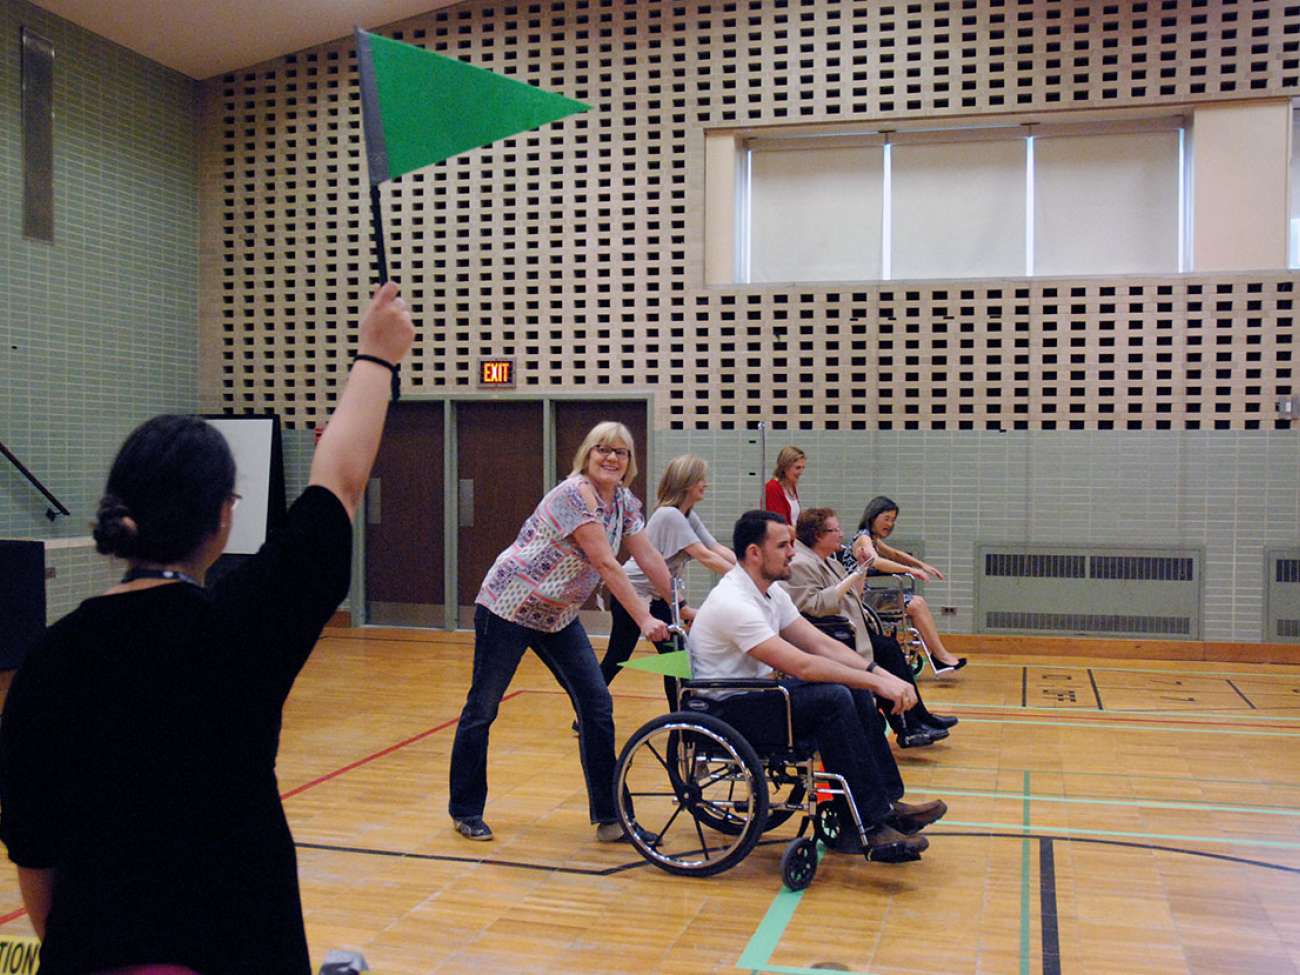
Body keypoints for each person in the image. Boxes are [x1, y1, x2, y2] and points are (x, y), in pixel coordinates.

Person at [0, 284, 415, 975]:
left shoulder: (43, 660)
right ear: (223, 516)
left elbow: (35, 865)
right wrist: (376, 356)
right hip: (241, 943)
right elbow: (338, 482)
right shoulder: (241, 625)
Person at [449, 421, 673, 844]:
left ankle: (611, 818)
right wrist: (644, 618)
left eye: (620, 452)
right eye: (602, 450)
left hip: (558, 617)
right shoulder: (571, 495)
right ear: (586, 456)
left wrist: (679, 604)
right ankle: (465, 809)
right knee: (483, 708)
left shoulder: (624, 502)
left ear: (630, 463)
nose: (611, 458)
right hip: (509, 607)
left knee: (596, 706)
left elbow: (647, 555)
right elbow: (607, 563)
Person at [686, 510, 948, 862]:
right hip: (730, 707)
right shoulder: (735, 601)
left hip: (760, 695)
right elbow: (803, 665)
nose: (793, 552)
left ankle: (885, 805)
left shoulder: (769, 592)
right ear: (754, 553)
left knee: (852, 690)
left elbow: (820, 644)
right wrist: (878, 683)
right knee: (834, 697)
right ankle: (864, 825)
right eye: (783, 545)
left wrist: (880, 674)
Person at [783, 508, 959, 747]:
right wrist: (854, 575)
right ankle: (909, 724)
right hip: (831, 637)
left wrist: (861, 570)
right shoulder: (802, 564)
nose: (841, 534)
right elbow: (815, 605)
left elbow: (854, 596)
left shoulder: (828, 561)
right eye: (835, 530)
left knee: (889, 649)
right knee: (887, 652)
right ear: (818, 535)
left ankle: (917, 718)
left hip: (850, 630)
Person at [596, 454, 735, 699]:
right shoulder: (668, 515)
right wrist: (745, 579)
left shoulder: (687, 515)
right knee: (620, 655)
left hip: (659, 595)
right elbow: (705, 556)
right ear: (687, 482)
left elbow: (715, 548)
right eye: (701, 479)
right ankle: (587, 709)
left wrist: (748, 568)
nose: (706, 484)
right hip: (633, 594)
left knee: (677, 657)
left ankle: (680, 718)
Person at [854, 495, 967, 674]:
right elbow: (875, 561)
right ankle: (940, 656)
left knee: (918, 602)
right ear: (873, 516)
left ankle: (940, 656)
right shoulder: (863, 539)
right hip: (859, 597)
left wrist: (922, 565)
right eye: (886, 519)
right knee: (916, 604)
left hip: (867, 595)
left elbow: (895, 554)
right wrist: (910, 570)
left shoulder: (872, 539)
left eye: (893, 520)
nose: (890, 524)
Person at [762, 445, 806, 526]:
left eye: (803, 468)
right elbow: (778, 524)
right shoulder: (772, 488)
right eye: (798, 468)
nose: (801, 472)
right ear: (785, 467)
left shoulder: (791, 486)